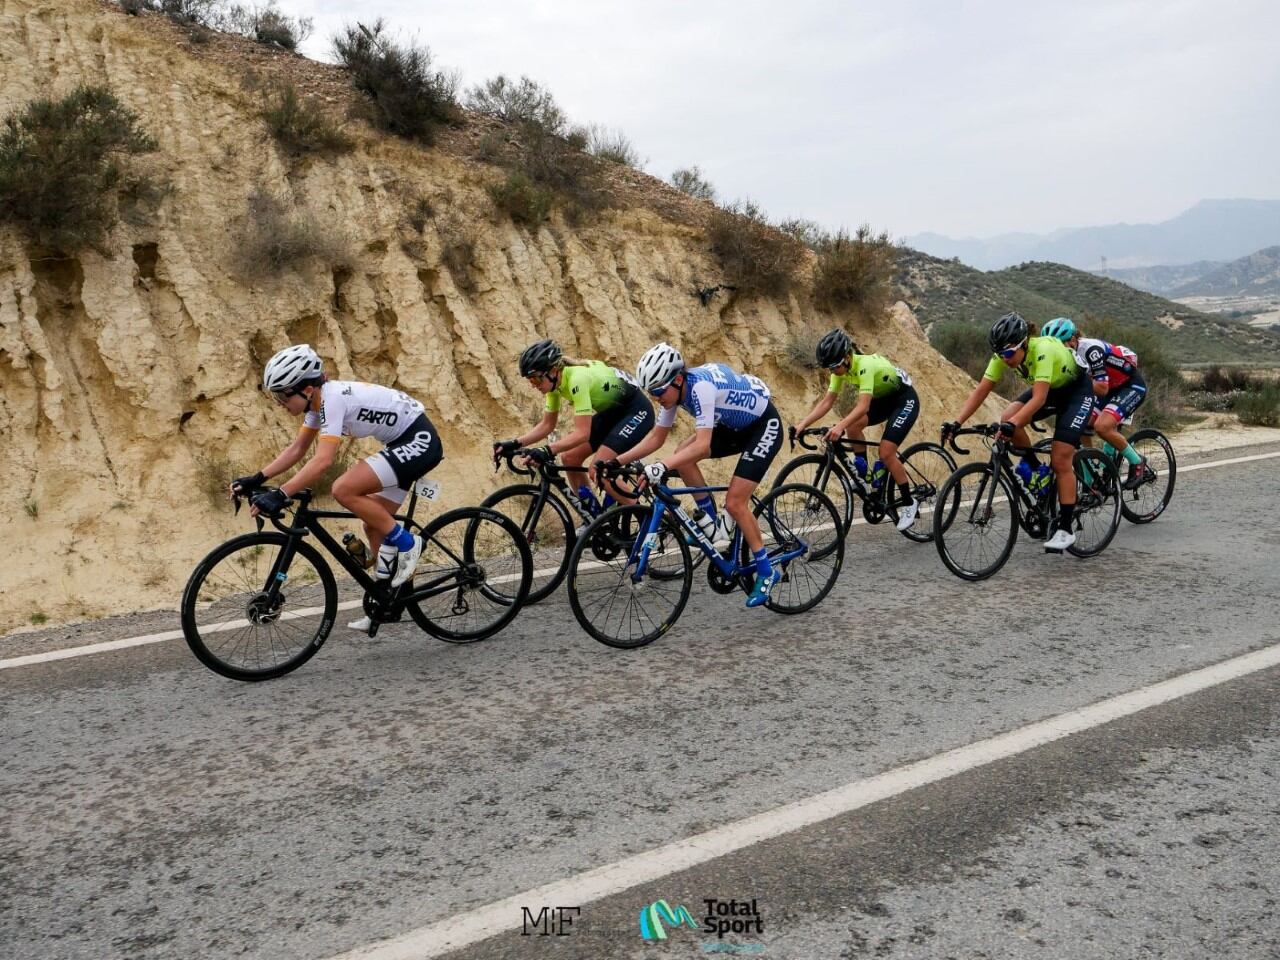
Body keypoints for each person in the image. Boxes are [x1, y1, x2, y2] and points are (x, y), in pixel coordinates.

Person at [230, 345, 443, 627]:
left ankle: (408, 543)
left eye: (283, 395)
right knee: (374, 524)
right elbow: (297, 450)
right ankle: (388, 600)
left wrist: (282, 494)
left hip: (419, 441)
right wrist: (257, 478)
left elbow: (322, 462)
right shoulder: (317, 406)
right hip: (401, 443)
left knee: (343, 489)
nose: (280, 402)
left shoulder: (332, 399)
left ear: (306, 389)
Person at [614, 342, 785, 608]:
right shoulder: (674, 391)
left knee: (736, 502)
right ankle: (712, 523)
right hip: (732, 425)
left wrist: (659, 466)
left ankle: (766, 571)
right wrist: (616, 461)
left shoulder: (701, 388)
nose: (657, 398)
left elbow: (703, 445)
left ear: (678, 379)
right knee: (683, 455)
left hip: (762, 426)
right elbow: (657, 437)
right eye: (651, 393)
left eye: (659, 391)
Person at [940, 312, 1093, 551]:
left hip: (1076, 392)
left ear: (1024, 343)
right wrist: (957, 422)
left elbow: (1040, 398)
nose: (1005, 359)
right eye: (1000, 354)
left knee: (1061, 458)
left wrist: (1011, 425)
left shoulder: (1042, 350)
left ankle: (1065, 529)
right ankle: (1036, 470)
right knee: (1007, 417)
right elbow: (980, 391)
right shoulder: (1003, 354)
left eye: (1009, 354)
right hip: (1051, 389)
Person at [492, 339, 654, 528]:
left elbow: (582, 434)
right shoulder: (554, 385)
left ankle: (648, 525)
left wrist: (546, 450)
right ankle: (595, 520)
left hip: (636, 410)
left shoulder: (577, 379)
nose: (533, 385)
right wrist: (515, 443)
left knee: (599, 469)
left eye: (536, 378)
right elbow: (547, 425)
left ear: (552, 370)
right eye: (530, 380)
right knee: (569, 458)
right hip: (613, 412)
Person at [791, 328, 922, 532]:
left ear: (847, 357)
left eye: (834, 367)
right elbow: (827, 402)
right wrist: (803, 424)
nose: (832, 372)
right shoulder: (840, 370)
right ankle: (866, 477)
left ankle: (909, 502)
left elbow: (863, 407)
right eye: (829, 368)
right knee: (852, 426)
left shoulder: (865, 365)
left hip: (904, 399)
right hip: (883, 401)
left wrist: (839, 426)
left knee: (886, 452)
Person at [1041, 318, 1149, 490]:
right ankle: (1091, 478)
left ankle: (1137, 462)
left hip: (1129, 386)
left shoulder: (1091, 350)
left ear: (1073, 340)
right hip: (1107, 388)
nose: (1058, 350)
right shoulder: (1062, 357)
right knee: (1080, 422)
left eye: (1061, 345)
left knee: (1102, 427)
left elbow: (1101, 387)